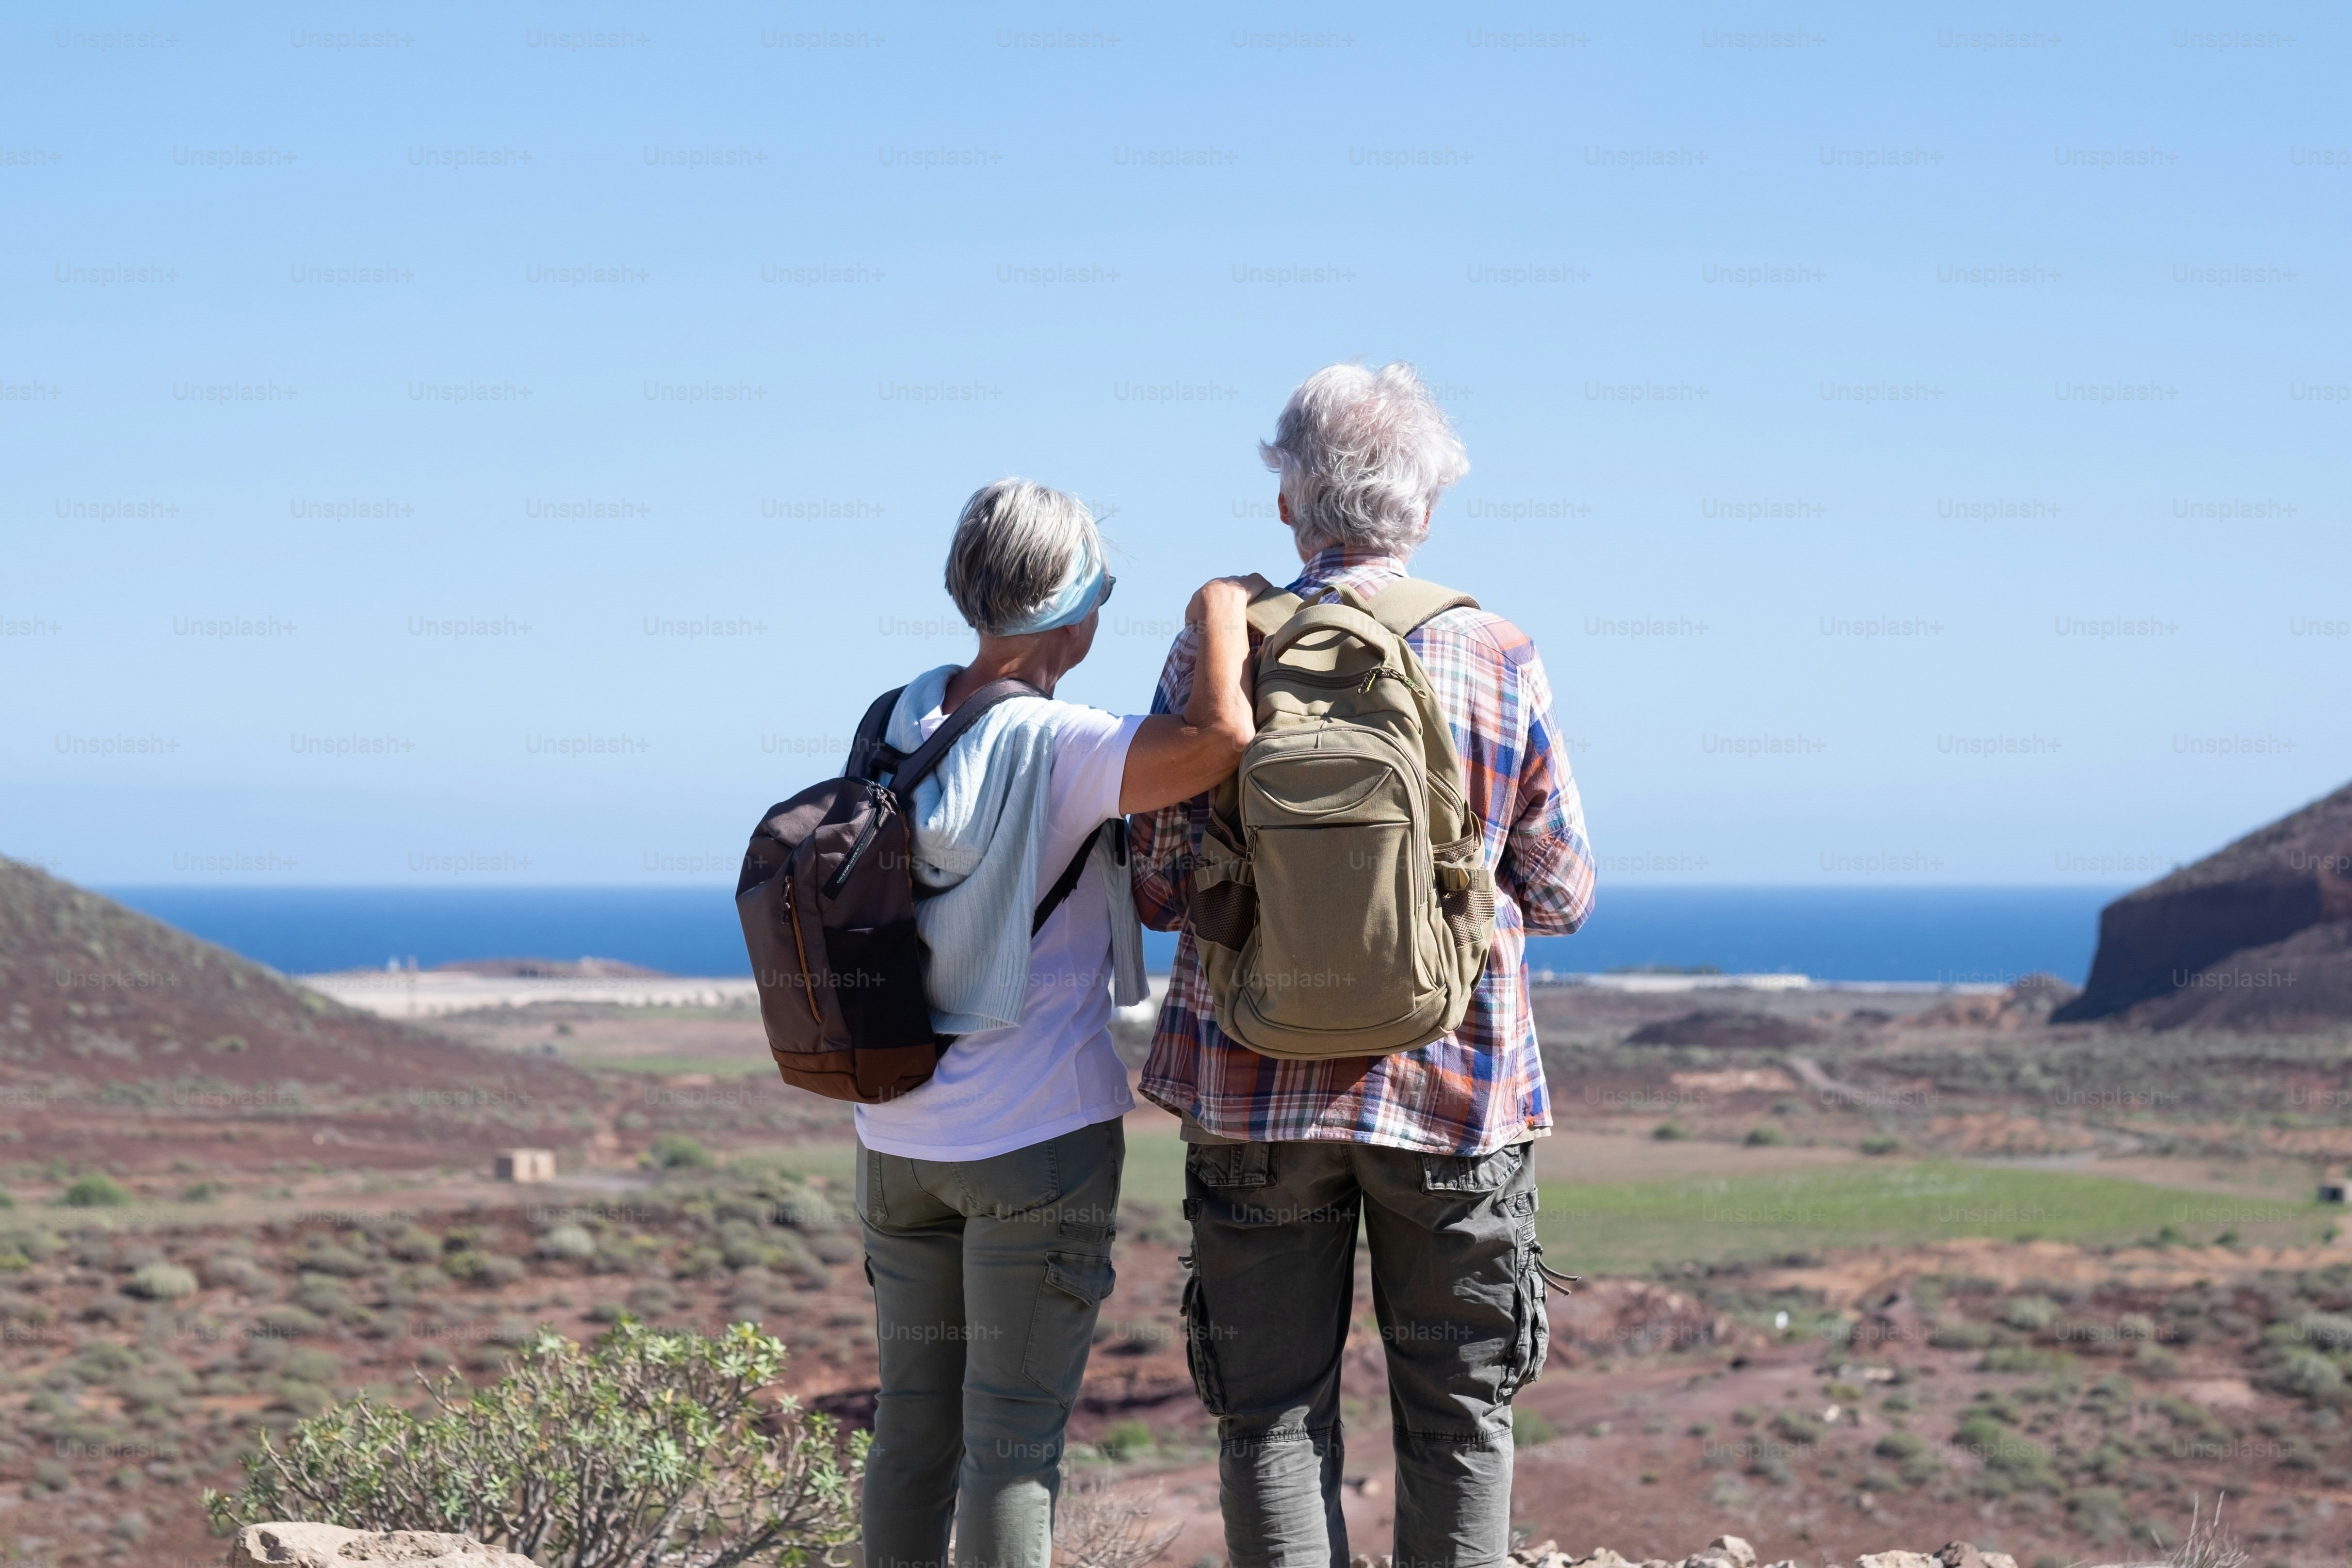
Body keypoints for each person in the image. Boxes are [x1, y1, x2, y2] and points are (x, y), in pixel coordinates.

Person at [1130, 364, 1598, 1568]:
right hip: (1452, 1096)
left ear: (1288, 500)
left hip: (1251, 1091)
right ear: (1427, 507)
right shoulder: (1496, 652)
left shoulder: (1214, 656)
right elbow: (1560, 892)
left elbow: (1160, 884)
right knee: (1456, 1415)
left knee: (1271, 1419)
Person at [857, 478, 1254, 1568]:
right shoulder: (1064, 747)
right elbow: (1220, 736)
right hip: (1034, 1144)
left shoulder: (896, 717)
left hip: (894, 1137)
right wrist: (1221, 605)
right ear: (1071, 611)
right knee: (1013, 1449)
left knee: (911, 1436)